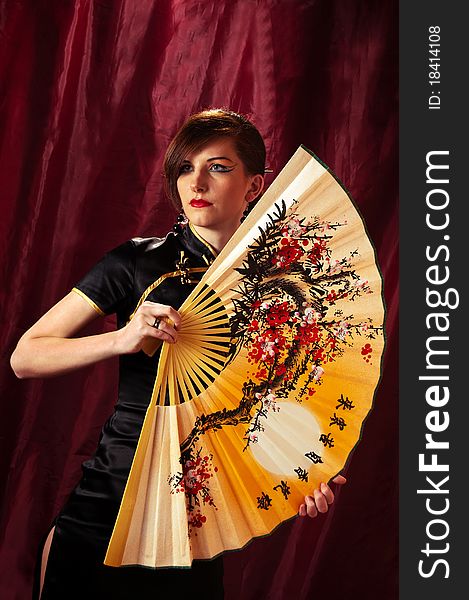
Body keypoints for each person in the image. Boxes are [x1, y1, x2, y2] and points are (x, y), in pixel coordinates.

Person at [10, 109, 346, 599]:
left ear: (254, 188)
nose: (198, 181)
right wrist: (121, 338)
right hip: (110, 499)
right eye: (185, 168)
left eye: (219, 167)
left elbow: (265, 402)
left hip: (197, 519)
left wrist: (305, 467)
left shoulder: (282, 288)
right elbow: (25, 356)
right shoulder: (137, 262)